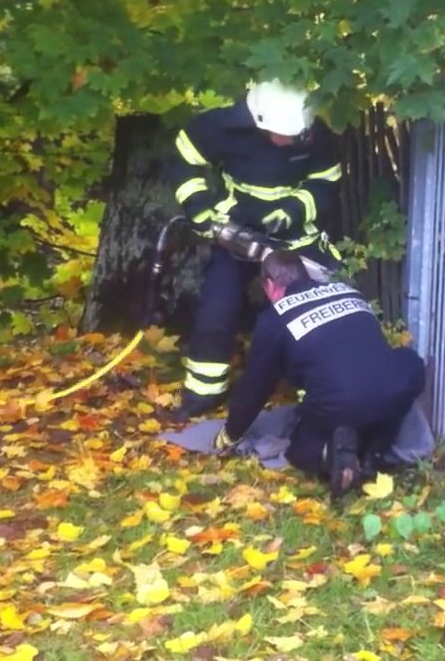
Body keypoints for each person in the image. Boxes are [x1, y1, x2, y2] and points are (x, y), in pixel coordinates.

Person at [166, 78, 344, 421]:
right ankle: (204, 392)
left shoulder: (314, 132)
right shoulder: (221, 127)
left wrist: (291, 212)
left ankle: (318, 394)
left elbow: (325, 182)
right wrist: (201, 210)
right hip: (238, 234)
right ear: (258, 121)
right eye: (283, 135)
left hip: (293, 238)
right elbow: (184, 159)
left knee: (313, 309)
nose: (290, 141)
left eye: (296, 135)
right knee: (218, 306)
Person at [212, 251, 425, 498]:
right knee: (407, 363)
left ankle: (334, 456)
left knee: (301, 447)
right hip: (393, 388)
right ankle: (374, 452)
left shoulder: (275, 319)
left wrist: (231, 434)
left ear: (270, 285)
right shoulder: (347, 292)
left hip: (340, 403)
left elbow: (255, 387)